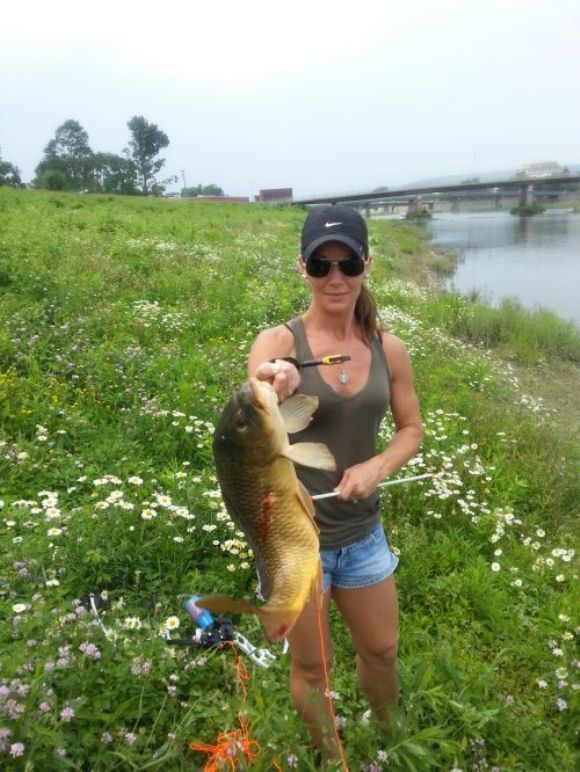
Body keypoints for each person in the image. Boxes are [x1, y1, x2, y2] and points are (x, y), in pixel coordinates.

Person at [247, 205, 422, 759]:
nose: (336, 277)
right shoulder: (278, 340)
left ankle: (387, 743)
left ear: (366, 263)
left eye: (347, 262)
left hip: (363, 536)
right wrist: (276, 383)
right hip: (295, 547)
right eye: (321, 265)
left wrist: (378, 466)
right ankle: (332, 756)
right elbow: (250, 410)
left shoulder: (388, 348)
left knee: (383, 651)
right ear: (303, 268)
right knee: (310, 665)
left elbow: (411, 429)